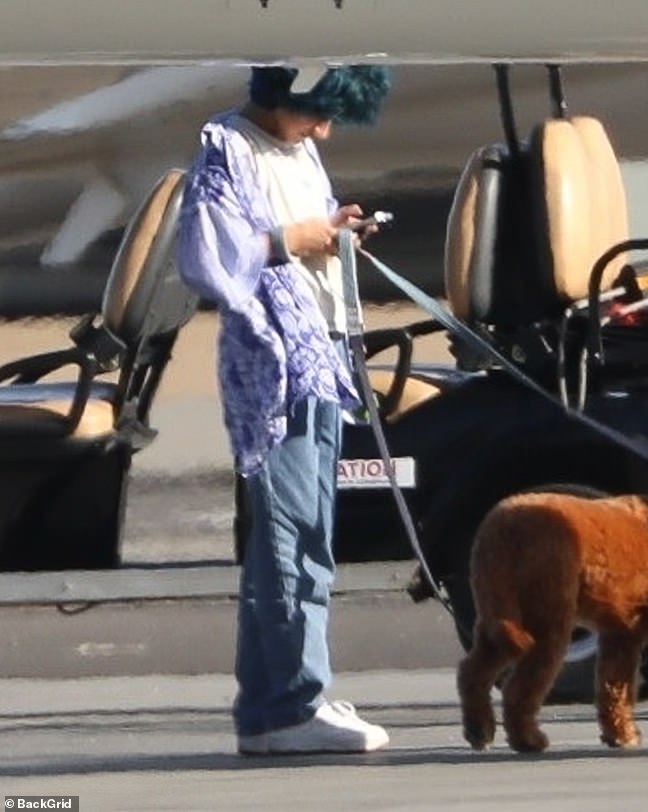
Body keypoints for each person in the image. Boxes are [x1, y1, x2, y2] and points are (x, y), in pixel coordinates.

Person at [177, 64, 392, 755]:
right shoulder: (227, 150)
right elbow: (207, 256)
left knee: (305, 537)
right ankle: (291, 705)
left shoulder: (299, 150)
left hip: (320, 356)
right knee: (291, 538)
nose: (324, 129)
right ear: (283, 97)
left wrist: (333, 234)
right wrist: (284, 243)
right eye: (316, 113)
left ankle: (273, 706)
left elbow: (303, 233)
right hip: (276, 370)